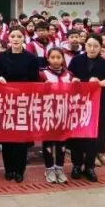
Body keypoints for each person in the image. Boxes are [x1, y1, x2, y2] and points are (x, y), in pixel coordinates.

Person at [0, 28, 41, 183]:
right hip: (6, 101)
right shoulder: (2, 57)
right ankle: (9, 169)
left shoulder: (31, 58)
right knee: (7, 137)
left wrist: (19, 88)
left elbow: (34, 80)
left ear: (23, 38)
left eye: (19, 36)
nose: (15, 39)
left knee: (21, 138)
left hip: (23, 101)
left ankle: (20, 170)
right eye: (12, 36)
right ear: (8, 38)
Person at [67, 36, 105, 182]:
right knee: (77, 135)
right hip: (78, 104)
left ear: (101, 47)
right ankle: (76, 165)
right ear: (85, 45)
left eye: (96, 46)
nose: (92, 49)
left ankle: (90, 167)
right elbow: (68, 75)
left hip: (98, 105)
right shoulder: (76, 61)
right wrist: (73, 79)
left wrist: (104, 82)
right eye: (89, 45)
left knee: (94, 136)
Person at [39, 48, 75, 184]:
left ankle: (59, 168)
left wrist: (76, 84)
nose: (55, 60)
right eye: (52, 57)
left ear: (62, 59)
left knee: (62, 141)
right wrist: (43, 87)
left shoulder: (69, 74)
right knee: (48, 141)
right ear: (48, 59)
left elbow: (76, 92)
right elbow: (34, 91)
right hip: (47, 112)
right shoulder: (42, 73)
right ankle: (49, 169)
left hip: (64, 112)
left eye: (58, 57)